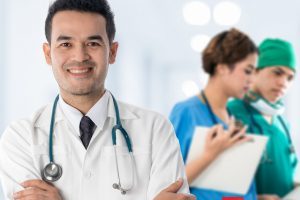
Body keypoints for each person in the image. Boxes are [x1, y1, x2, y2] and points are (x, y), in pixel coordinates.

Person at [0, 0, 195, 199]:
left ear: (112, 52)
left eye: (92, 43)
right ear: (48, 54)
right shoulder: (21, 138)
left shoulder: (155, 129)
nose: (80, 56)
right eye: (66, 44)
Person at [170, 28, 259, 200]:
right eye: (248, 71)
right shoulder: (186, 112)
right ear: (223, 67)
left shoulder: (233, 117)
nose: (252, 80)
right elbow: (170, 183)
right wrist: (211, 154)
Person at [228, 38, 298, 200]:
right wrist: (256, 198)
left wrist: (294, 186)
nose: (283, 83)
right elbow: (214, 186)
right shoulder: (232, 112)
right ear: (255, 70)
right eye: (277, 72)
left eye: (290, 78)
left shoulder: (282, 123)